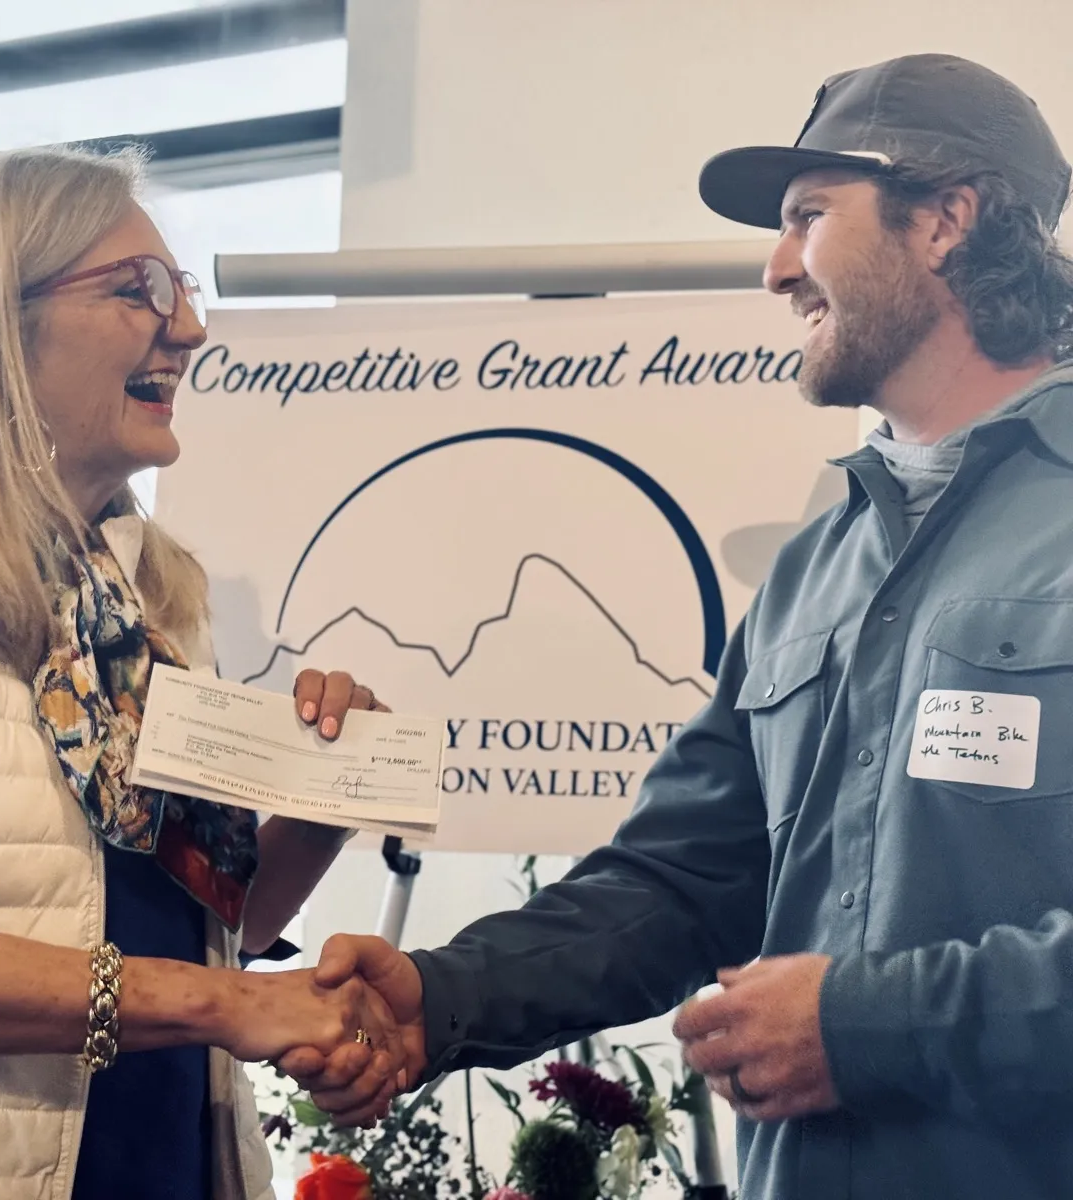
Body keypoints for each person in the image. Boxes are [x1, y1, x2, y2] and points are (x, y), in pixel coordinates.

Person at [287, 53, 1073, 1200]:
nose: (773, 269)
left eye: (809, 216)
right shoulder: (819, 568)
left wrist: (867, 1024)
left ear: (947, 218)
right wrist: (440, 997)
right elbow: (676, 885)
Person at [0, 146, 402, 1200]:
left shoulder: (150, 608)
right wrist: (224, 1007)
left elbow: (209, 940)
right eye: (139, 289)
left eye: (186, 291)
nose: (192, 331)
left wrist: (325, 802)